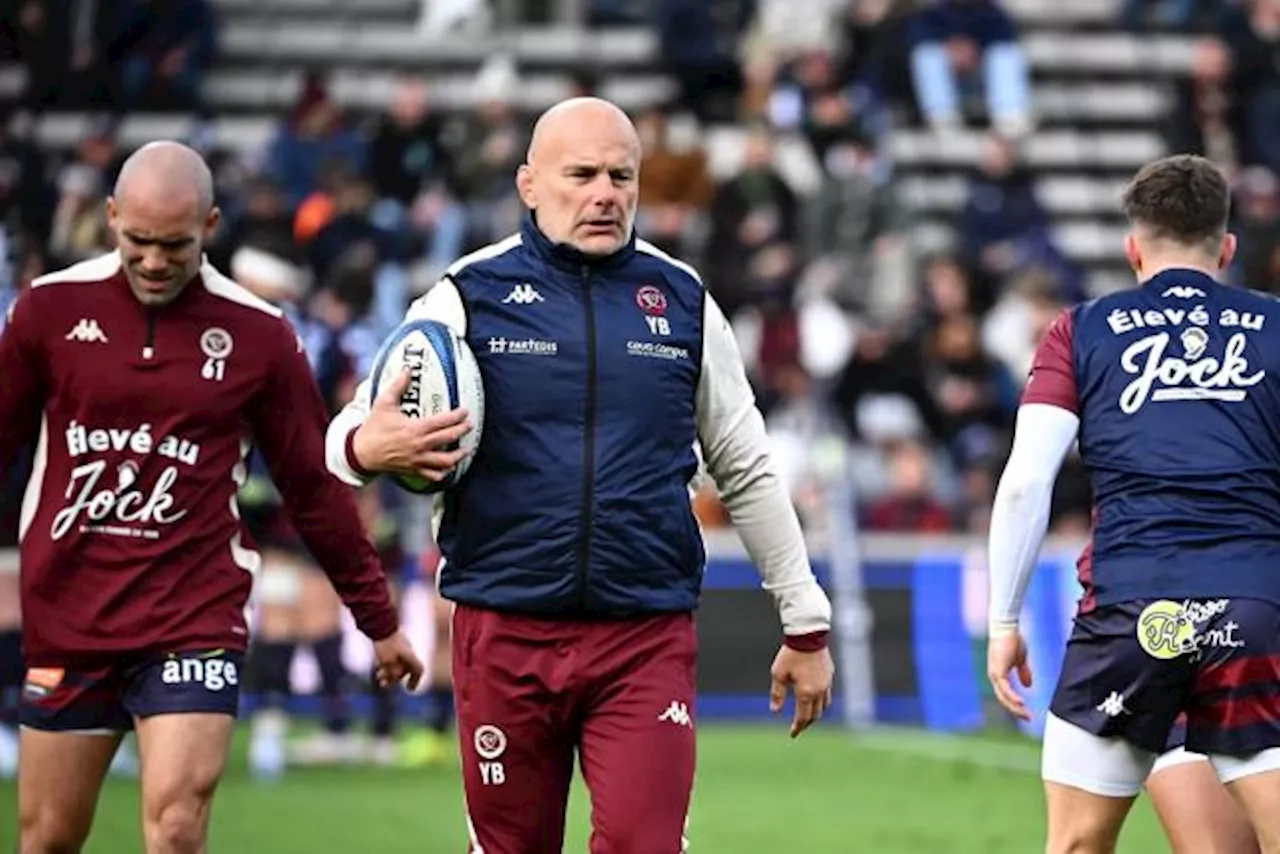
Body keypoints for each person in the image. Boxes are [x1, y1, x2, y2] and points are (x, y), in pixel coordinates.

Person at [325, 96, 835, 853]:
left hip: (643, 634)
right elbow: (347, 435)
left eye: (620, 176)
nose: (605, 193)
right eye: (582, 175)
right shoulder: (466, 297)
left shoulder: (685, 302)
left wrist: (805, 619)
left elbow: (746, 463)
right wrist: (369, 448)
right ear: (530, 184)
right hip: (504, 629)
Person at [0, 140, 424, 853]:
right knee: (47, 839)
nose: (155, 261)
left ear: (211, 225)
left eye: (175, 244)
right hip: (70, 614)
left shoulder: (259, 335)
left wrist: (376, 619)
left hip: (192, 617)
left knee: (175, 830)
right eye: (138, 241)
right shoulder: (49, 311)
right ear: (110, 217)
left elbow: (312, 487)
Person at [985, 153, 1280, 854]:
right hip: (1255, 607)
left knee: (1078, 843)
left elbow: (1027, 480)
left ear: (1133, 247)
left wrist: (1004, 619)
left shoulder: (1080, 330)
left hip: (1131, 609)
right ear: (1227, 246)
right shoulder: (1275, 326)